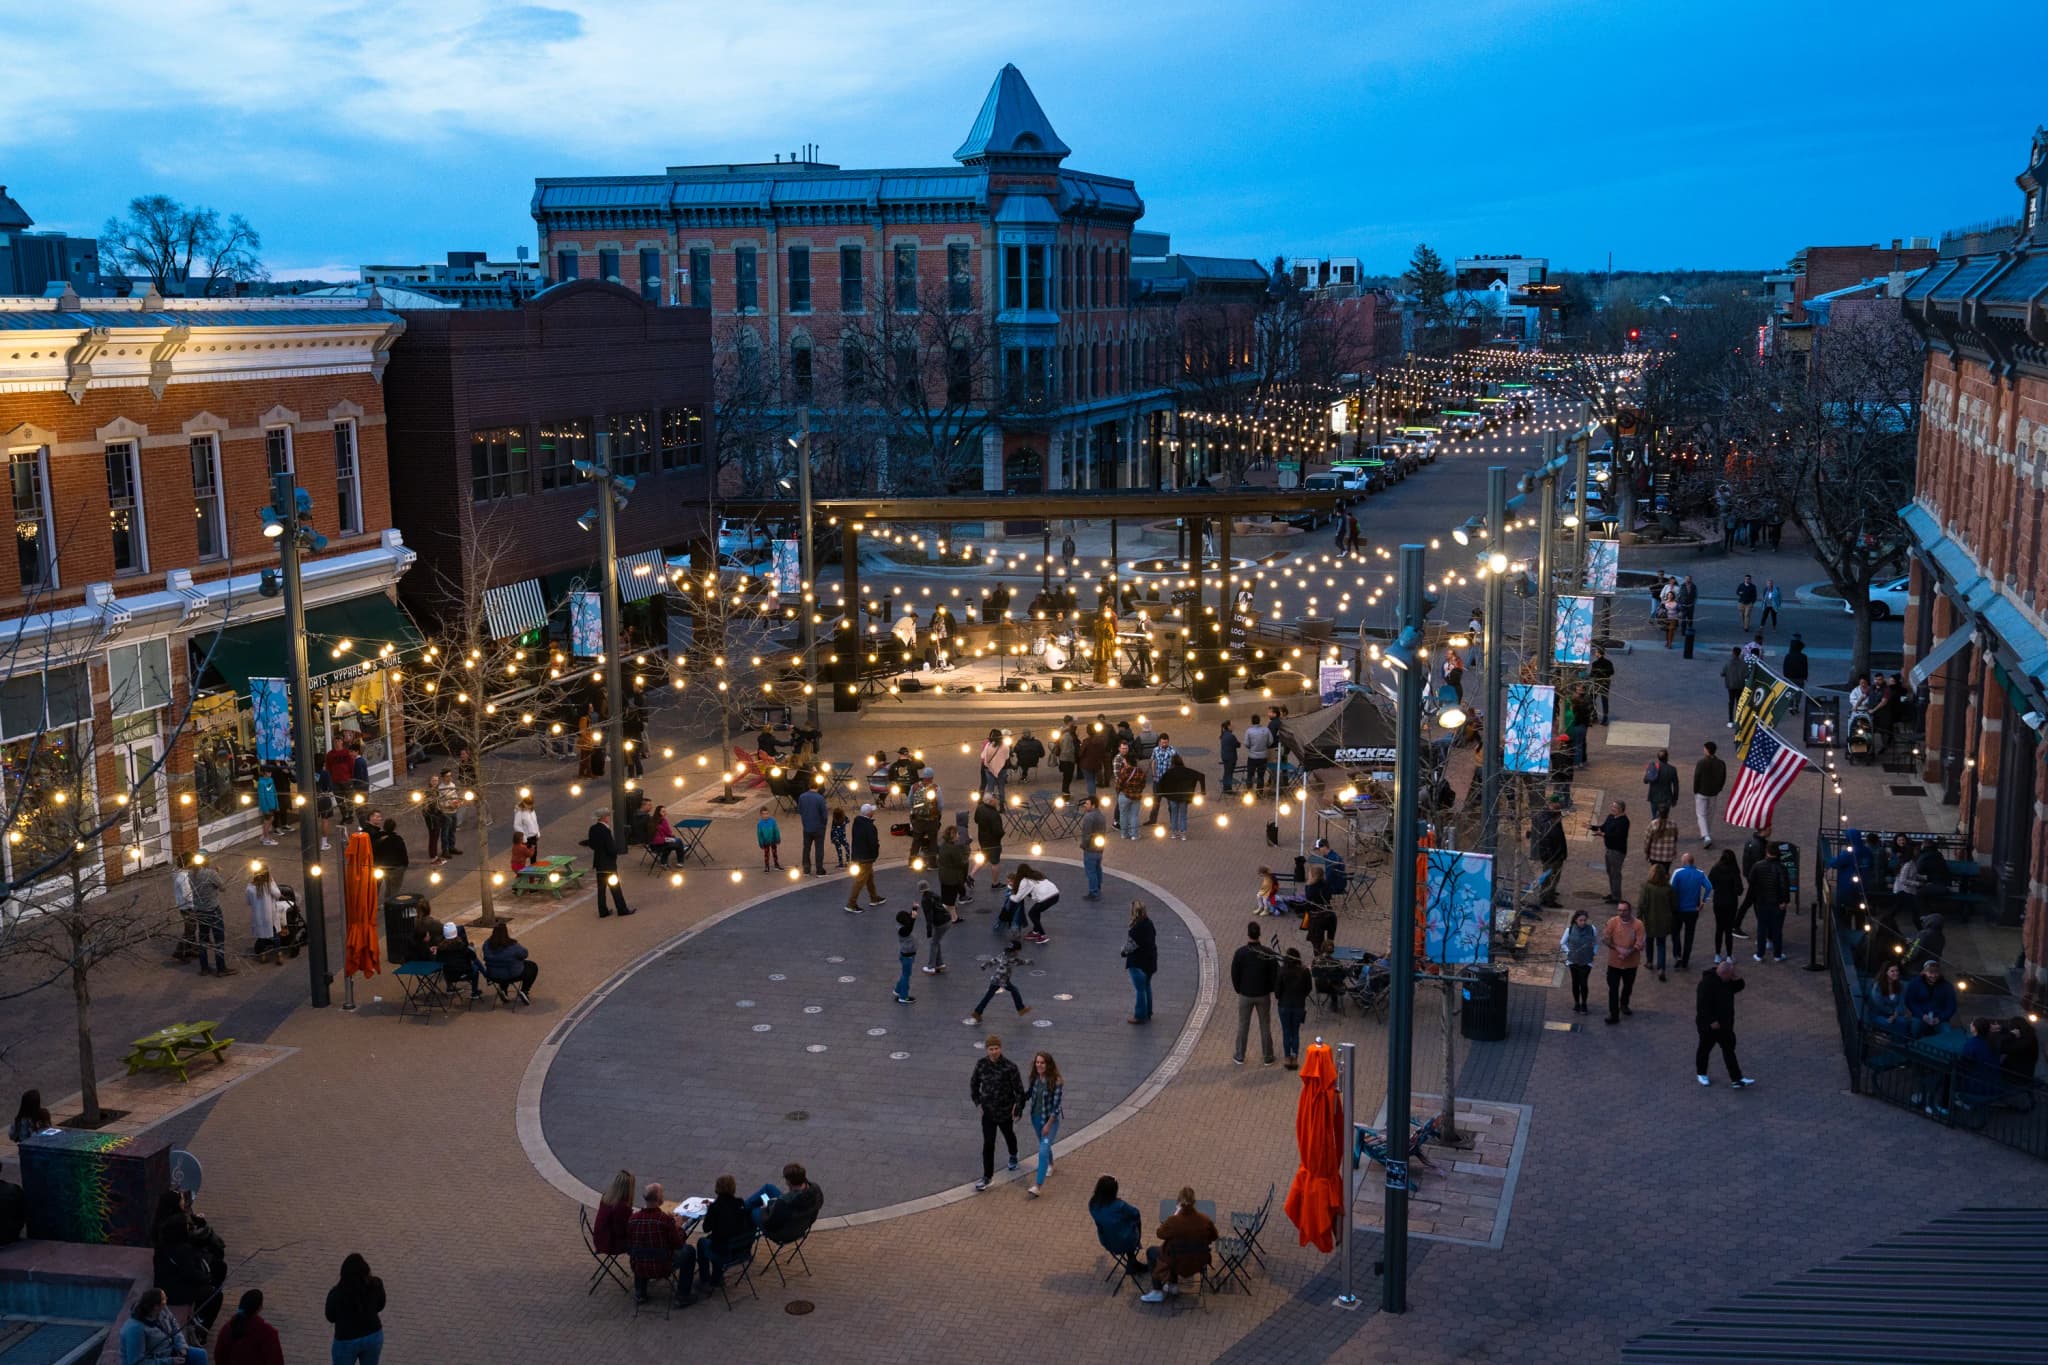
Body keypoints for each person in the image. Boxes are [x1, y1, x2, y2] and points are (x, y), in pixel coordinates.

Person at [153, 1191, 225, 1339]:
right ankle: (201, 1330)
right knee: (215, 1295)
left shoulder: (168, 1239)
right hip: (175, 1291)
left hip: (169, 1282)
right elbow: (189, 1273)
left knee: (216, 1270)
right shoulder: (181, 1249)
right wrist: (207, 1278)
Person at [1139, 1187, 1219, 1303]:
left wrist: (1175, 1216)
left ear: (1179, 1203)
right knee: (1175, 1252)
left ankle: (1158, 1291)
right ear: (1194, 1202)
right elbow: (1214, 1236)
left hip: (1177, 1263)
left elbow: (1159, 1233)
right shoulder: (1204, 1220)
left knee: (1152, 1251)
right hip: (1198, 1261)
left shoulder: (1173, 1221)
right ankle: (1173, 1286)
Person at [626, 1182, 697, 1308]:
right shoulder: (664, 1221)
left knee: (642, 1250)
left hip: (639, 1266)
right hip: (663, 1266)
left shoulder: (633, 1219)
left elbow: (629, 1246)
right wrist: (678, 1227)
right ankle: (683, 1295)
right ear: (659, 1200)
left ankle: (640, 1292)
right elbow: (678, 1244)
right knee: (689, 1251)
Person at [970, 1035, 1026, 1191]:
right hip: (988, 1112)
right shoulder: (981, 1065)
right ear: (986, 1050)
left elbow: (1019, 1091)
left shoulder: (1010, 1067)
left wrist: (1018, 1109)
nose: (993, 1052)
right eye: (991, 1049)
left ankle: (1013, 1154)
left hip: (1005, 1111)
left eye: (996, 1048)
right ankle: (987, 1176)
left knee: (1009, 1135)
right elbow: (974, 1084)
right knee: (988, 1143)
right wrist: (978, 1103)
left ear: (1000, 1049)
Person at [1696, 961, 1755, 1088]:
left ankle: (1736, 1079)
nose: (1732, 976)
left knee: (1729, 1050)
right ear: (1724, 973)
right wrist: (1711, 1021)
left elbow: (1739, 986)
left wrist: (1737, 977)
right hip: (1709, 1026)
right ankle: (1701, 1073)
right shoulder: (1706, 984)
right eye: (1731, 974)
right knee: (1704, 1049)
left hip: (1725, 1025)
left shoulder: (1726, 981)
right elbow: (1702, 1006)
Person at [1231, 921, 1280, 1067]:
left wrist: (1239, 989)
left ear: (1248, 933)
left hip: (1245, 994)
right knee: (1265, 1025)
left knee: (1243, 1025)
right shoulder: (1268, 953)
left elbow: (1235, 973)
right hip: (1263, 994)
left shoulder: (1240, 953)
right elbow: (1275, 974)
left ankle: (1240, 1055)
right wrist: (1270, 989)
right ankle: (1268, 1056)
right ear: (1259, 934)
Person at [693, 1174, 753, 1290]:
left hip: (723, 1251)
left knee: (702, 1242)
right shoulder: (739, 1203)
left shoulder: (715, 1208)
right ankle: (717, 1277)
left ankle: (704, 1279)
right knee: (717, 1238)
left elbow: (706, 1228)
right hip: (739, 1249)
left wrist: (710, 1212)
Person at [120, 1288, 207, 1365]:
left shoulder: (162, 1310)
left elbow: (175, 1326)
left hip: (170, 1351)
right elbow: (137, 1362)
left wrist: (181, 1346)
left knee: (200, 1355)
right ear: (156, 1307)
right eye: (164, 1299)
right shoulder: (135, 1329)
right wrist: (170, 1362)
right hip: (157, 1359)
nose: (167, 1300)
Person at [324, 1254, 384, 1365]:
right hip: (373, 1334)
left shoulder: (337, 1293)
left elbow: (330, 1317)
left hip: (346, 1339)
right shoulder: (376, 1284)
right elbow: (380, 1305)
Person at [1089, 1176, 1145, 1283]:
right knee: (1134, 1223)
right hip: (1126, 1241)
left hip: (1107, 1241)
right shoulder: (1119, 1206)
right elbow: (1136, 1213)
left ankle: (1132, 1261)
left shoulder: (1092, 1204)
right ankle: (1133, 1258)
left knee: (1120, 1229)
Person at [1023, 1051, 1064, 1197]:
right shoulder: (1034, 1077)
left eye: (1042, 1062)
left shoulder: (1056, 1081)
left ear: (1048, 1064)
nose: (1039, 1065)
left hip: (1049, 1121)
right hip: (1035, 1117)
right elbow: (1029, 1094)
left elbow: (1056, 1106)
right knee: (1044, 1144)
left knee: (1042, 1151)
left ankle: (1037, 1186)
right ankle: (1051, 1165)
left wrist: (1048, 1124)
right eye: (1037, 1062)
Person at [747, 1163, 823, 1240]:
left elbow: (770, 1224)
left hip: (783, 1233)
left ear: (789, 1181)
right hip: (801, 1226)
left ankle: (740, 1211)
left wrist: (765, 1209)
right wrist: (775, 1203)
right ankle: (741, 1208)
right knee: (768, 1188)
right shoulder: (815, 1189)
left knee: (753, 1211)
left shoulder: (785, 1203)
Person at [1740, 843, 1789, 962]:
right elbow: (1784, 885)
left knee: (1761, 928)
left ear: (1767, 852)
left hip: (1761, 902)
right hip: (1777, 903)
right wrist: (1785, 901)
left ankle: (1760, 954)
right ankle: (1777, 954)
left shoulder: (1758, 865)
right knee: (1777, 929)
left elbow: (1752, 881)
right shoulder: (1781, 867)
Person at [580, 809, 633, 918]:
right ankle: (622, 909)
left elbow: (593, 844)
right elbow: (610, 847)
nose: (609, 817)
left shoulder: (593, 829)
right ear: (604, 817)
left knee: (601, 889)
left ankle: (602, 911)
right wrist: (615, 852)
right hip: (608, 864)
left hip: (599, 863)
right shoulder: (605, 830)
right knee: (615, 887)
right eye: (608, 816)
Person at [1601, 900, 1646, 1025]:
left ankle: (1624, 1004)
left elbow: (1640, 942)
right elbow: (1605, 938)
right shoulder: (1612, 922)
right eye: (1619, 910)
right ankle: (1613, 1014)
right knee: (1613, 989)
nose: (1621, 913)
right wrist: (1617, 948)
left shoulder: (1638, 924)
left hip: (1631, 964)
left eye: (1624, 910)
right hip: (1614, 963)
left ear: (1629, 911)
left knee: (1628, 986)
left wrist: (1628, 951)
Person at [188, 854, 232, 978]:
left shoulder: (190, 874)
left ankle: (204, 967)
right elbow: (223, 887)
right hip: (213, 910)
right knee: (219, 939)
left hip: (199, 911)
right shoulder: (211, 873)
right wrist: (216, 874)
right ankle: (221, 968)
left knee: (203, 939)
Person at [211, 1288, 280, 1365]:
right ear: (260, 1308)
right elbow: (276, 1361)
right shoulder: (268, 1333)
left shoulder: (227, 1328)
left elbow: (219, 1356)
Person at [972, 940, 1031, 1021]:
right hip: (1002, 980)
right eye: (1018, 950)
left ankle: (977, 1012)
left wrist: (985, 965)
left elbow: (994, 960)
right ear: (1016, 950)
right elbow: (1020, 962)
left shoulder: (1004, 954)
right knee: (1014, 990)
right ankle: (1021, 1009)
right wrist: (1028, 962)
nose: (1018, 952)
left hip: (998, 978)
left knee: (989, 996)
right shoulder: (1012, 958)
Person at [1670, 852, 1710, 970]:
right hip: (1693, 911)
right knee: (1689, 936)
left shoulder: (1677, 873)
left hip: (1678, 910)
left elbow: (1671, 889)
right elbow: (1709, 887)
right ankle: (1685, 960)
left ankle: (1678, 955)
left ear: (1684, 861)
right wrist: (1703, 901)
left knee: (1675, 933)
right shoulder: (1700, 873)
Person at [482, 921, 538, 1004]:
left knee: (501, 968)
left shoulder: (486, 944)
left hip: (492, 975)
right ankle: (524, 991)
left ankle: (503, 990)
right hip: (512, 974)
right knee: (532, 966)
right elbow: (525, 954)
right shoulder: (512, 946)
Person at [1275, 947, 1313, 1069]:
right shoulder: (1304, 971)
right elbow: (1309, 988)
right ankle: (1295, 1056)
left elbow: (1277, 991)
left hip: (1284, 1005)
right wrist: (1302, 996)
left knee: (1286, 1032)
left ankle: (1287, 1057)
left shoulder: (1282, 971)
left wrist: (1280, 997)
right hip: (1298, 1006)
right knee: (1295, 1032)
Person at [1638, 864, 1677, 981]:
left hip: (1649, 920)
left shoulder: (1646, 887)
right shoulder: (1668, 888)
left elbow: (1642, 904)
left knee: (1649, 940)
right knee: (1661, 944)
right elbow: (1674, 905)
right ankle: (1661, 968)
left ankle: (1649, 961)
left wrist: (1638, 918)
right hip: (1664, 921)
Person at [845, 804, 885, 912]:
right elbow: (873, 843)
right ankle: (851, 903)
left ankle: (874, 897)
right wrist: (875, 854)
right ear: (869, 813)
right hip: (866, 857)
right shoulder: (870, 827)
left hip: (858, 855)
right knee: (860, 881)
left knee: (869, 878)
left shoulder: (857, 823)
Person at [1123, 900, 1158, 1024]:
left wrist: (1123, 952)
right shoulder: (1149, 924)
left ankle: (1139, 1015)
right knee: (1147, 986)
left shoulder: (1135, 929)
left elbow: (1130, 946)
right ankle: (1148, 1011)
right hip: (1150, 961)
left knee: (1140, 989)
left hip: (1138, 963)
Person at [1007, 864, 1060, 944]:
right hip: (1055, 895)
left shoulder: (1025, 881)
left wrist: (1011, 896)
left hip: (1046, 898)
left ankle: (1043, 936)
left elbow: (1018, 898)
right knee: (1036, 911)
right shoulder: (1037, 874)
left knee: (1032, 914)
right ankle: (1035, 932)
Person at [1902, 960, 1958, 1037]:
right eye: (1930, 973)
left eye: (1936, 972)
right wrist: (1922, 1015)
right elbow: (1910, 1001)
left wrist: (1940, 1018)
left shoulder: (1947, 986)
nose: (1934, 975)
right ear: (1924, 972)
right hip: (1920, 1016)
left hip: (1939, 1018)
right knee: (1915, 1029)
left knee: (1947, 1033)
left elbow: (1951, 1006)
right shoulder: (1915, 983)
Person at [1592, 800, 1631, 903]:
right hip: (1609, 849)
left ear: (1620, 809)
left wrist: (1603, 835)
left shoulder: (1624, 821)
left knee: (1615, 874)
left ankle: (1617, 897)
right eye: (1612, 807)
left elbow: (1617, 836)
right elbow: (1603, 827)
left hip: (1617, 851)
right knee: (1610, 872)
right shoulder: (1610, 817)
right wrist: (1592, 827)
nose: (1612, 809)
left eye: (1614, 807)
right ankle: (1613, 893)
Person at [1560, 910, 1597, 1014]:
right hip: (1573, 961)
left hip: (1586, 961)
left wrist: (1593, 952)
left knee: (1583, 983)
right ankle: (1577, 1003)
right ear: (1576, 920)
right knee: (1575, 982)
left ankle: (1584, 1004)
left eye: (1585, 920)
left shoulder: (1592, 929)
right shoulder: (1570, 929)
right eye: (1580, 920)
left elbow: (1595, 942)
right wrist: (1569, 952)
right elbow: (1562, 943)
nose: (1583, 922)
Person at [1531, 802, 1567, 908]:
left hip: (1550, 857)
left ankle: (1546, 895)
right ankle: (1549, 899)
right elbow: (1551, 844)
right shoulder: (1551, 826)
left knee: (1548, 878)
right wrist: (1556, 856)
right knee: (1551, 878)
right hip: (1553, 858)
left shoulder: (1548, 822)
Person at [1155, 753, 1199, 840]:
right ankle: (1183, 834)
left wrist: (1163, 793)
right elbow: (1195, 779)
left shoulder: (1169, 772)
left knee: (1174, 815)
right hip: (1183, 797)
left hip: (1172, 797)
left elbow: (1161, 783)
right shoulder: (1186, 771)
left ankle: (1174, 833)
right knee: (1183, 815)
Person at [434, 923, 483, 1000]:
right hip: (464, 973)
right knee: (475, 969)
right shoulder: (462, 946)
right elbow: (473, 957)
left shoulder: (440, 948)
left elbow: (438, 961)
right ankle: (474, 992)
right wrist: (471, 948)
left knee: (448, 965)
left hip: (449, 976)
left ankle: (449, 987)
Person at [245, 868, 283, 966]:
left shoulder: (250, 888)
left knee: (261, 937)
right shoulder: (269, 885)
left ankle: (263, 955)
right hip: (270, 917)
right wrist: (272, 881)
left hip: (259, 917)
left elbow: (248, 902)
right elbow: (278, 895)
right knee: (275, 936)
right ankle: (278, 954)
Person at [1692, 742, 1726, 849]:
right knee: (1710, 813)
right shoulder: (1721, 763)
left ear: (1706, 750)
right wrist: (1719, 789)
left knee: (1701, 814)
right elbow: (1723, 778)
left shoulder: (1701, 762)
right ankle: (1707, 833)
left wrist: (1695, 790)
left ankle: (1706, 835)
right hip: (1714, 793)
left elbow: (1697, 777)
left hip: (1702, 792)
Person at [367, 812, 408, 900]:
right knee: (393, 889)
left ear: (384, 827)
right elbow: (403, 854)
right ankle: (390, 905)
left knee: (378, 887)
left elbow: (373, 850)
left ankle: (374, 905)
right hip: (396, 868)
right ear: (394, 828)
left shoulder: (377, 837)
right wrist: (404, 866)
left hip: (380, 867)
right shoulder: (397, 839)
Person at [1864, 962, 1911, 1037]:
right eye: (1892, 971)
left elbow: (1901, 1002)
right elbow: (1879, 1005)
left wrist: (1896, 1013)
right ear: (1886, 972)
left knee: (1904, 1022)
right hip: (1878, 1014)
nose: (1896, 973)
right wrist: (1892, 1013)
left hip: (1895, 1014)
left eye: (1897, 971)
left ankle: (1900, 1043)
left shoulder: (1900, 986)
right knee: (1888, 1023)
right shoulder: (1878, 986)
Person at [594, 1169, 634, 1255]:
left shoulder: (607, 1196)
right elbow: (621, 1231)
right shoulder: (621, 1207)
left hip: (599, 1239)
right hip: (610, 1244)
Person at [1112, 741, 1147, 840]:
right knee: (1134, 815)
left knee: (1123, 815)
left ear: (1127, 761)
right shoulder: (1140, 771)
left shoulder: (1124, 771)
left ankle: (1124, 834)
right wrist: (1138, 790)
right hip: (1136, 795)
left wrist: (1119, 791)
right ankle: (1134, 835)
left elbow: (1118, 783)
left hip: (1124, 795)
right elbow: (1143, 784)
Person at [973, 792, 1006, 889]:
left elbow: (976, 820)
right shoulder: (994, 814)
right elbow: (998, 831)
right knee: (995, 862)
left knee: (984, 857)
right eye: (995, 799)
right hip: (993, 842)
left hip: (982, 839)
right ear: (991, 801)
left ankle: (971, 876)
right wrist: (1002, 833)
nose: (997, 801)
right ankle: (995, 883)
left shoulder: (980, 808)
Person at [1078, 797, 1108, 900]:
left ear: (1093, 805)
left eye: (1087, 804)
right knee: (1097, 868)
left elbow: (1087, 835)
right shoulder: (1101, 815)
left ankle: (1093, 891)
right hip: (1100, 847)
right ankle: (1098, 887)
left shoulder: (1089, 817)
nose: (1085, 806)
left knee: (1091, 871)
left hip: (1091, 848)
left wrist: (1084, 845)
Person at [796, 784, 828, 876]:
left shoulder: (802, 797)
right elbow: (824, 815)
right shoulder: (820, 798)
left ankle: (806, 869)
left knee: (806, 848)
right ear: (817, 787)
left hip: (806, 827)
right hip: (818, 827)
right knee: (819, 849)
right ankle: (819, 869)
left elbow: (800, 810)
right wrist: (823, 825)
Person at [893, 907, 919, 1004]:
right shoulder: (903, 930)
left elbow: (909, 921)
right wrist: (913, 918)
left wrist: (914, 909)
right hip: (907, 956)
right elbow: (910, 926)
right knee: (906, 976)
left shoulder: (902, 925)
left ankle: (898, 990)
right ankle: (903, 996)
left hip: (906, 954)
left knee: (905, 974)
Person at [1644, 750, 1679, 821]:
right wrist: (1675, 799)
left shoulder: (1653, 767)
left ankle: (1655, 829)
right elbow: (1676, 786)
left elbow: (1645, 781)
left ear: (1658, 758)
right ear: (1667, 757)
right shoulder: (1672, 769)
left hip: (1654, 797)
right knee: (1664, 817)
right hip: (1666, 798)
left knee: (1654, 817)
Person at [1243, 714, 1273, 795]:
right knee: (1261, 775)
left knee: (1250, 774)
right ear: (1259, 720)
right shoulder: (1266, 730)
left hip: (1252, 756)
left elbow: (1246, 743)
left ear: (1252, 721)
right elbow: (1270, 741)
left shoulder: (1249, 731)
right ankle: (1259, 792)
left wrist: (1251, 747)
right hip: (1263, 756)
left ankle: (1249, 791)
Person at [1077, 725, 1108, 801]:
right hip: (1097, 763)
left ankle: (1092, 797)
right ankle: (1093, 796)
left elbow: (1080, 753)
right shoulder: (1101, 741)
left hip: (1086, 764)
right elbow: (1103, 752)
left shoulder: (1086, 741)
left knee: (1090, 781)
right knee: (1093, 780)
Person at [980, 728, 1012, 800]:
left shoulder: (988, 745)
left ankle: (988, 805)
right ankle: (1001, 806)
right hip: (1002, 769)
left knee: (990, 788)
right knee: (1001, 787)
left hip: (989, 769)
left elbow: (982, 756)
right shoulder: (1005, 746)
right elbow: (1007, 757)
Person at [1588, 646, 1614, 724]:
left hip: (1597, 683)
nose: (1595, 653)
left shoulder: (1595, 664)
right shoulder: (1608, 662)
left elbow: (1592, 674)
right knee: (1604, 700)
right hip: (1605, 683)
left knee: (1592, 698)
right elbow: (1612, 672)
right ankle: (1605, 717)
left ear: (1599, 653)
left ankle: (1594, 715)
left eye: (1596, 652)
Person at [1722, 647, 1746, 728]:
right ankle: (1738, 720)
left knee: (1731, 702)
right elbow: (1747, 674)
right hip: (1740, 685)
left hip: (1731, 685)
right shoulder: (1743, 663)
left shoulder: (1728, 663)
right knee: (1739, 702)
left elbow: (1722, 673)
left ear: (1733, 653)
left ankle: (1730, 720)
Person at [754, 804, 783, 871]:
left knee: (775, 853)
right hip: (765, 842)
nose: (765, 815)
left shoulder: (773, 821)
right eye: (764, 814)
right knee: (766, 855)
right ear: (761, 815)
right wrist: (761, 843)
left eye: (767, 813)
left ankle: (776, 865)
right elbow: (759, 834)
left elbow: (776, 830)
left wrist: (778, 839)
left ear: (769, 813)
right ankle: (767, 866)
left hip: (773, 840)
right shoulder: (760, 824)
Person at [512, 793, 540, 860]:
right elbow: (517, 825)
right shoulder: (519, 812)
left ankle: (534, 870)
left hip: (534, 837)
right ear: (524, 803)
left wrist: (537, 832)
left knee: (534, 856)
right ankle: (523, 870)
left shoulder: (532, 810)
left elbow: (535, 822)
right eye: (528, 805)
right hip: (526, 838)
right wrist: (523, 836)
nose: (529, 807)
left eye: (531, 805)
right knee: (523, 857)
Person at [1218, 719, 1240, 795]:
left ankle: (1226, 787)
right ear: (1228, 726)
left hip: (1225, 756)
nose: (1233, 726)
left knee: (1226, 772)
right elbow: (1237, 744)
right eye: (1231, 725)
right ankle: (1228, 789)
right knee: (1229, 773)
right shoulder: (1231, 736)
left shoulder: (1223, 735)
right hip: (1231, 757)